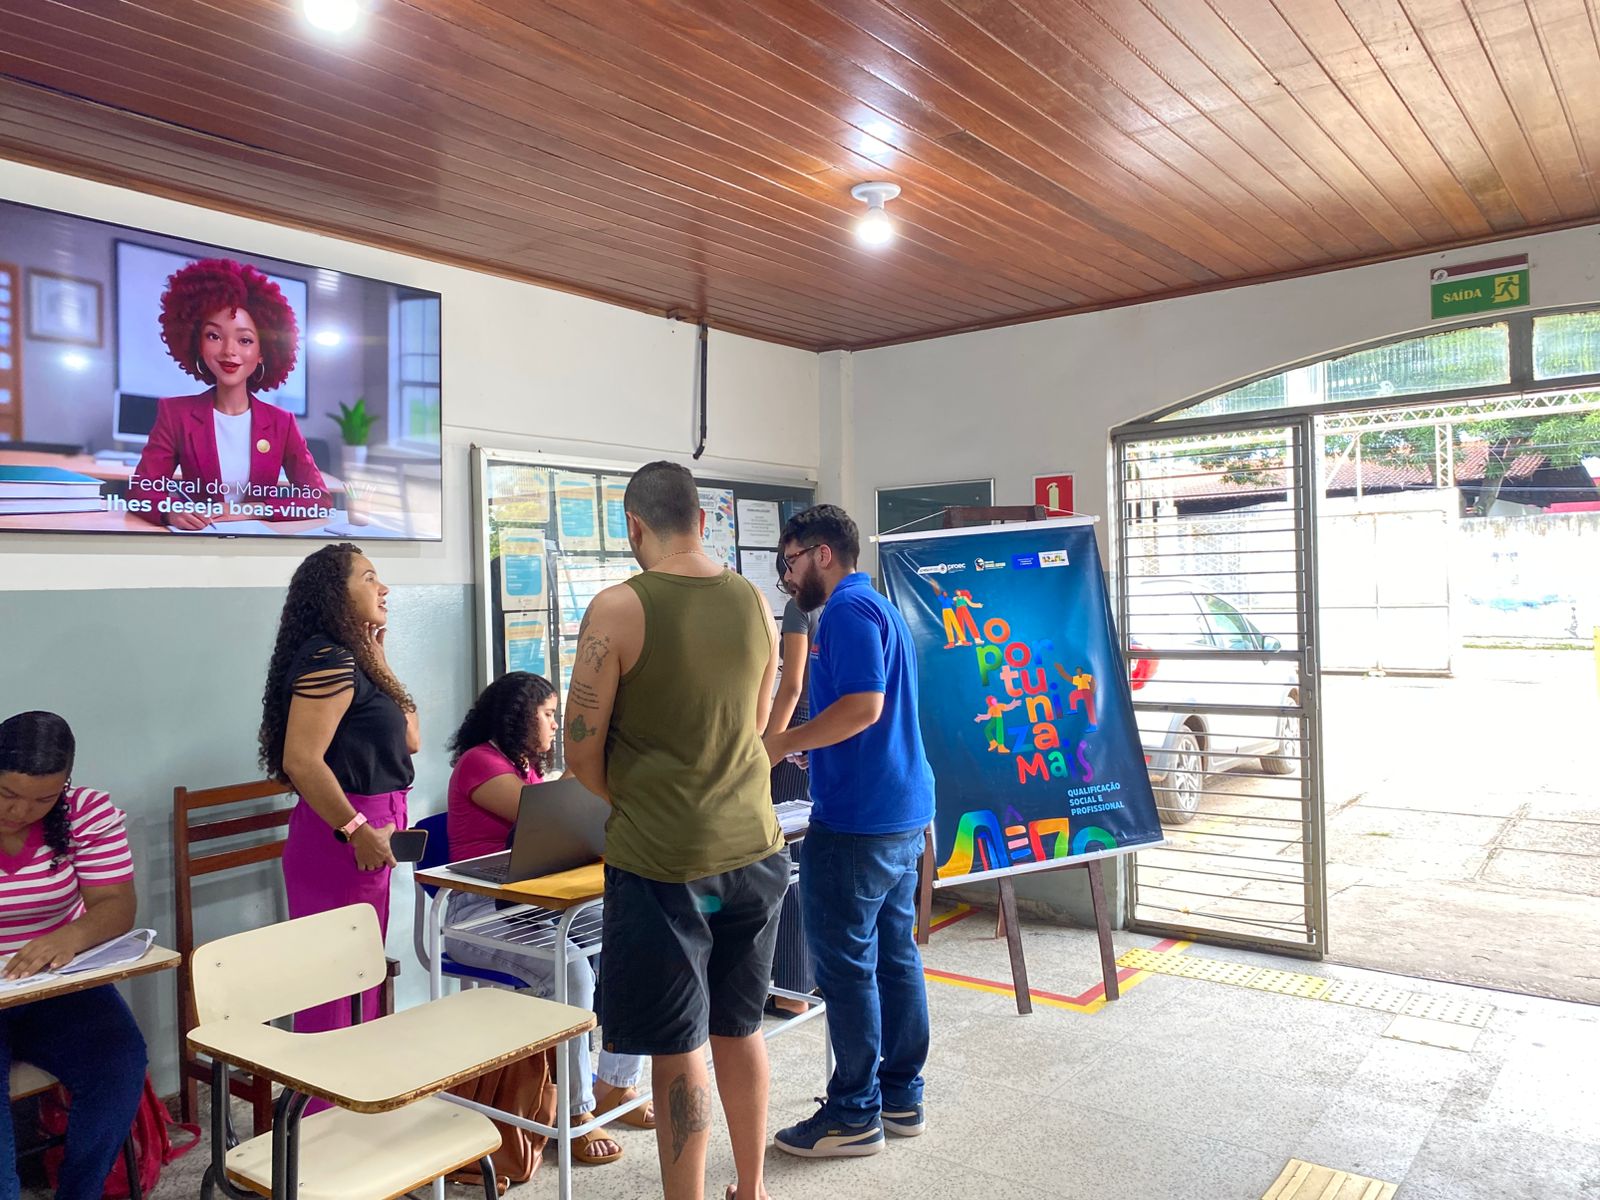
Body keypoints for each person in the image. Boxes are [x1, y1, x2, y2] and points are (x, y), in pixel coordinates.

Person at [562, 460, 788, 1200]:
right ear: (702, 518)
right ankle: (748, 1190)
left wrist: (640, 798)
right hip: (754, 851)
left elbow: (581, 753)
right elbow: (755, 727)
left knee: (679, 1042)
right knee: (741, 1024)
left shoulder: (619, 607)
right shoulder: (754, 601)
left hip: (666, 865)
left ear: (635, 526)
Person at [763, 504, 936, 1159]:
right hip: (899, 812)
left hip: (861, 822)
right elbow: (865, 716)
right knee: (895, 958)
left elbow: (864, 708)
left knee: (847, 970)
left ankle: (853, 1113)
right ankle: (900, 1097)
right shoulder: (882, 608)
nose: (788, 576)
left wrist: (783, 744)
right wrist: (818, 749)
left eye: (790, 562)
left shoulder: (842, 612)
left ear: (822, 553)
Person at [442, 672, 650, 1167]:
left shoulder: (526, 769)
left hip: (533, 905)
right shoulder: (480, 764)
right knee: (571, 970)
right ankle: (572, 1116)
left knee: (639, 939)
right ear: (519, 715)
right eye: (550, 715)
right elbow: (546, 818)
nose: (557, 726)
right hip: (474, 914)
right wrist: (587, 751)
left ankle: (615, 1086)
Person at [259, 542, 418, 1033]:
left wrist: (379, 660)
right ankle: (319, 1110)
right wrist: (356, 828)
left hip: (374, 828)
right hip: (343, 835)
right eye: (369, 577)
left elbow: (412, 740)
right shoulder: (326, 658)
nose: (383, 587)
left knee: (361, 975)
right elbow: (301, 761)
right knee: (334, 990)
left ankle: (357, 1099)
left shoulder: (355, 658)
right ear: (335, 593)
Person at [0, 712, 147, 1200]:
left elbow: (116, 904)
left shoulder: (86, 811)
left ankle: (80, 1192)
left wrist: (70, 937)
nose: (22, 812)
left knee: (120, 1061)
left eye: (44, 799)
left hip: (53, 983)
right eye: (8, 795)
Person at [130, 258, 329, 528]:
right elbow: (142, 490)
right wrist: (171, 511)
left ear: (262, 353)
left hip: (260, 546)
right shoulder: (175, 413)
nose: (229, 351)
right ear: (196, 342)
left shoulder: (282, 423)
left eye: (245, 340)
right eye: (214, 336)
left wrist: (251, 510)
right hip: (198, 542)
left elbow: (318, 499)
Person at [763, 558, 817, 1017]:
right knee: (810, 854)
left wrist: (768, 749)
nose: (788, 580)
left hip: (798, 733)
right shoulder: (867, 602)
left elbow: (793, 683)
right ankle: (807, 981)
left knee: (788, 857)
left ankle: (790, 991)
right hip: (831, 735)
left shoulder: (802, 609)